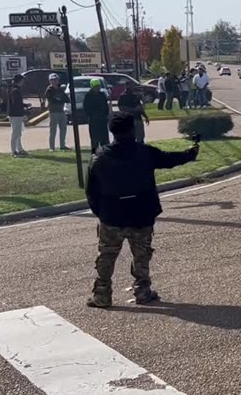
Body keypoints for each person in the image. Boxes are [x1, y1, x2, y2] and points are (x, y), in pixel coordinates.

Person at [84, 112, 199, 308]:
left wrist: (101, 213)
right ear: (133, 130)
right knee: (142, 254)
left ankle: (102, 295)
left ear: (112, 131)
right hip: (141, 213)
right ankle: (143, 292)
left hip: (112, 215)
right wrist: (192, 151)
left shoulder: (100, 156)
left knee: (107, 255)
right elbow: (171, 159)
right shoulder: (145, 152)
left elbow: (91, 190)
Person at [83, 78, 110, 153]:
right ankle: (94, 154)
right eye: (96, 86)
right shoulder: (88, 96)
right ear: (92, 87)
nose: (97, 88)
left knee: (104, 139)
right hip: (93, 121)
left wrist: (106, 115)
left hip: (103, 120)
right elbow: (86, 108)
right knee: (94, 140)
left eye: (98, 86)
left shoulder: (102, 95)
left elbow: (106, 106)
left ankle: (106, 154)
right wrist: (91, 115)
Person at [45, 74, 69, 152]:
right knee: (53, 130)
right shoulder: (49, 90)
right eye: (52, 80)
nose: (54, 81)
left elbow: (67, 99)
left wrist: (60, 99)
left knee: (63, 129)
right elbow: (52, 100)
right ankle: (52, 147)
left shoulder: (60, 89)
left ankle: (62, 145)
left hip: (61, 111)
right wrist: (59, 100)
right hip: (53, 112)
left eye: (56, 79)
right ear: (49, 81)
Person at [7, 74, 27, 157]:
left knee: (18, 133)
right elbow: (16, 103)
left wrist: (24, 106)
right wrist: (24, 110)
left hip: (17, 114)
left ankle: (20, 149)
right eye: (22, 80)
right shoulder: (15, 90)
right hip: (15, 114)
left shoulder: (14, 89)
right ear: (19, 81)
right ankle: (13, 151)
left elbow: (17, 103)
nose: (23, 82)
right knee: (15, 133)